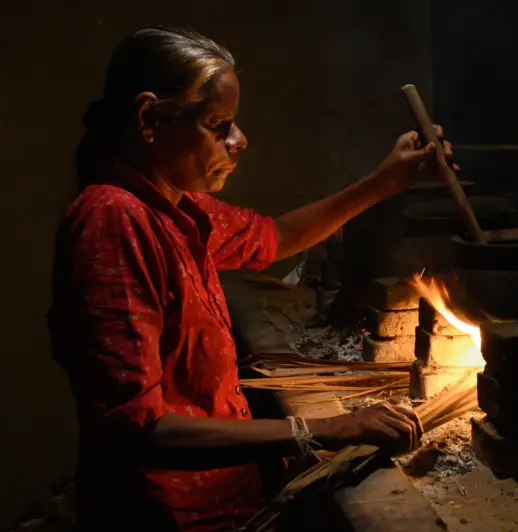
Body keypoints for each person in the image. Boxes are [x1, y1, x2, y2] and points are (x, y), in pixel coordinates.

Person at [48, 26, 456, 531]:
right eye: (217, 125)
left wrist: (387, 181)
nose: (238, 141)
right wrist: (326, 428)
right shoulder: (114, 221)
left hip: (231, 500)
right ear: (149, 118)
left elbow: (275, 238)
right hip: (171, 516)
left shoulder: (180, 210)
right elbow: (140, 430)